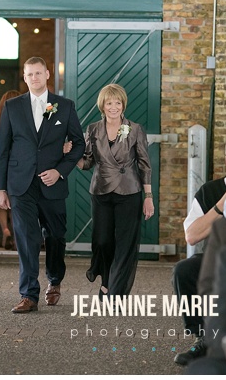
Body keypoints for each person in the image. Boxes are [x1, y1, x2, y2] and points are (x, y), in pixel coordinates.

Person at [0, 57, 84, 313]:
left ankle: (54, 280)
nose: (34, 78)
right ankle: (28, 294)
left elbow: (78, 144)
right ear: (24, 78)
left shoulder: (64, 106)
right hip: (20, 184)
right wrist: (0, 188)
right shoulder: (12, 107)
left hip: (52, 183)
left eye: (38, 73)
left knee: (55, 235)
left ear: (47, 74)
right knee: (26, 237)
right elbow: (3, 149)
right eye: (29, 74)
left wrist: (60, 171)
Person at [75, 83, 153, 298]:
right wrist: (72, 157)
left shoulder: (134, 129)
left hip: (130, 191)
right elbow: (88, 163)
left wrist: (148, 197)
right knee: (102, 241)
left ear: (123, 105)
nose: (113, 107)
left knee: (125, 243)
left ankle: (115, 291)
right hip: (100, 191)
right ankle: (106, 279)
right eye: (109, 103)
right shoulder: (93, 129)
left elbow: (145, 165)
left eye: (117, 102)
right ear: (102, 105)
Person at [171, 132, 226, 366]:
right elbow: (191, 235)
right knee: (185, 270)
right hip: (218, 258)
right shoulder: (209, 191)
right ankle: (206, 338)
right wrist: (222, 203)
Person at [0, 90, 20, 250]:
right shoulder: (18, 121)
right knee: (15, 199)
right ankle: (15, 235)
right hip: (12, 161)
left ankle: (5, 230)